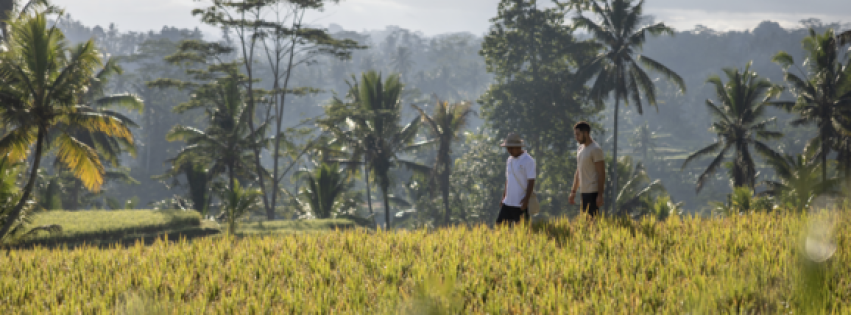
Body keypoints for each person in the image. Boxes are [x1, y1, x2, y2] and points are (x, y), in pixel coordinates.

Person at [497, 133, 535, 226]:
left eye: (511, 148)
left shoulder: (528, 160)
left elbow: (531, 181)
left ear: (518, 147)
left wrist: (526, 200)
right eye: (507, 148)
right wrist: (503, 197)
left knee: (523, 233)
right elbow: (508, 180)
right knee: (500, 228)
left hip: (520, 204)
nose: (509, 150)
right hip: (507, 202)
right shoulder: (509, 160)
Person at [569, 121, 605, 217]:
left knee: (592, 223)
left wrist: (600, 195)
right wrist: (573, 191)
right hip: (583, 192)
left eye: (578, 134)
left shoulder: (595, 149)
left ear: (586, 133)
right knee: (585, 223)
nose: (576, 137)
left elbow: (601, 173)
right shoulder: (580, 149)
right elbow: (578, 171)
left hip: (593, 192)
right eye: (575, 135)